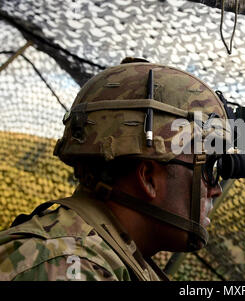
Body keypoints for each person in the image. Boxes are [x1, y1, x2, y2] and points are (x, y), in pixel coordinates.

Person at [0, 58, 228, 281]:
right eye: (207, 169)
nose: (215, 189)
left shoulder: (114, 256)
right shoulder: (65, 266)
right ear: (148, 178)